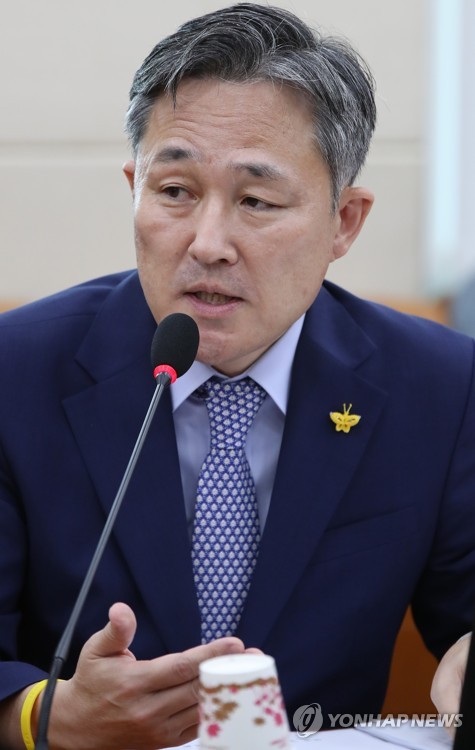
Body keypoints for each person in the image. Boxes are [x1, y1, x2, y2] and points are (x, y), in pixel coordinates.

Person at [0, 3, 474, 748]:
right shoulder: (16, 371)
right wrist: (42, 716)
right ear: (133, 187)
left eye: (256, 201)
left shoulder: (439, 387)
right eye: (175, 192)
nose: (208, 243)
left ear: (344, 221)